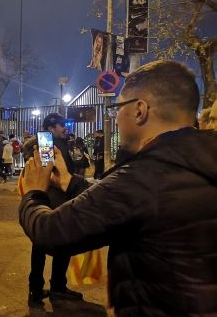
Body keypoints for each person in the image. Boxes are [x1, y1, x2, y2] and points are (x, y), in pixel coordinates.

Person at [19, 60, 217, 316]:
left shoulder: (145, 175)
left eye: (117, 108)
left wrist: (33, 194)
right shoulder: (200, 160)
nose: (116, 117)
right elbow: (117, 203)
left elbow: (52, 233)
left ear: (139, 110)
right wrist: (69, 182)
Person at [25, 113, 81, 306]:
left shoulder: (62, 143)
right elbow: (47, 173)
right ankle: (38, 289)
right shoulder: (47, 144)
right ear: (51, 128)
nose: (65, 128)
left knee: (58, 246)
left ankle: (55, 286)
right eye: (61, 125)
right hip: (52, 201)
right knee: (43, 246)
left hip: (61, 200)